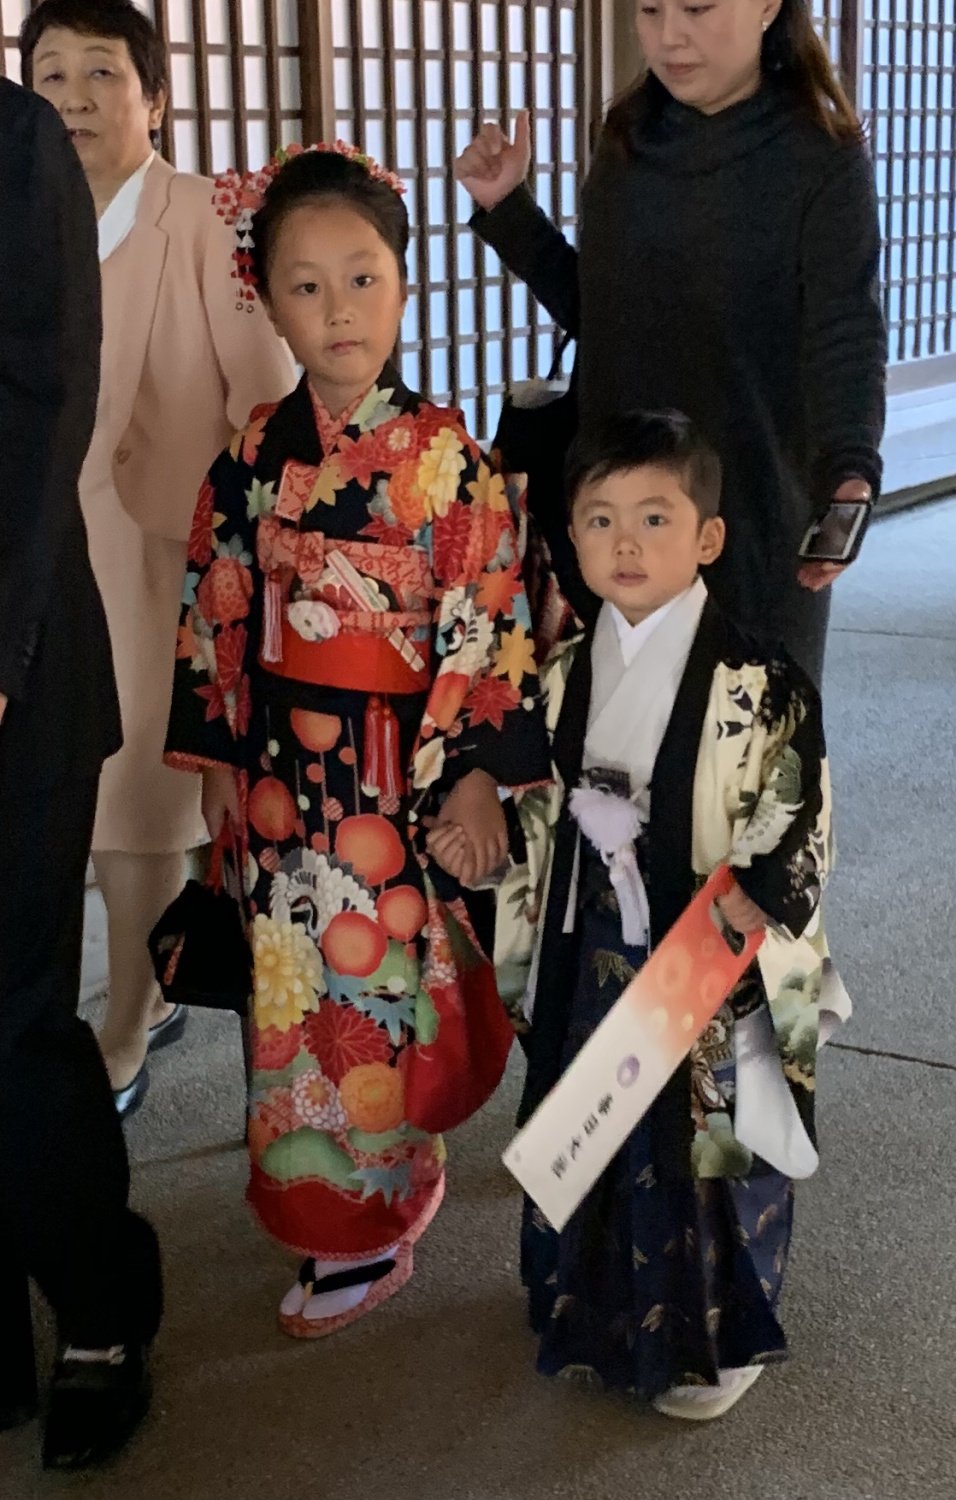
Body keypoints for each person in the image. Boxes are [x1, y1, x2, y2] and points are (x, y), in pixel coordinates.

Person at [164, 143, 550, 1338]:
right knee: (291, 994)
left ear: (403, 285)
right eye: (307, 285)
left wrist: (475, 777)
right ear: (269, 303)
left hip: (394, 775)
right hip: (280, 782)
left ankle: (372, 1224)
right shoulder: (250, 457)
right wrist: (220, 765)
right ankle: (315, 1202)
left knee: (378, 994)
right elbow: (216, 607)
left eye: (363, 278)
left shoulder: (447, 462)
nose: (339, 310)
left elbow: (489, 614)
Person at [452, 409, 842, 1418]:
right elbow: (530, 798)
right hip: (594, 940)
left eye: (654, 518)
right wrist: (488, 832)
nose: (625, 543)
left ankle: (716, 1339)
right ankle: (595, 1310)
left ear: (707, 538)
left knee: (706, 1148)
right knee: (593, 1123)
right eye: (599, 520)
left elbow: (795, 802)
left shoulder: (759, 681)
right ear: (571, 539)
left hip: (710, 942)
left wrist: (760, 889)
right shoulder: (562, 674)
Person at [21, 0, 295, 1114]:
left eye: (101, 73)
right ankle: (116, 993)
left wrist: (234, 561)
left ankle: (130, 1019)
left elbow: (267, 402)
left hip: (157, 548)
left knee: (130, 796)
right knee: (55, 786)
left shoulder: (207, 219)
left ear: (156, 100)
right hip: (37, 544)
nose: (73, 98)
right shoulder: (20, 209)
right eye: (50, 74)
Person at [456, 0, 887, 686]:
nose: (669, 36)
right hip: (617, 501)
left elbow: (845, 331)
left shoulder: (821, 155)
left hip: (748, 502)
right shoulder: (627, 137)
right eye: (651, 10)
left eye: (696, 7)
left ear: (768, 6)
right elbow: (604, 313)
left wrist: (850, 466)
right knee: (608, 727)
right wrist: (509, 210)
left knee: (744, 727)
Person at [0, 78, 162, 1471]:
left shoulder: (10, 143)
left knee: (12, 1018)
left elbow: (45, 400)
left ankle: (102, 1313)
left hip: (16, 655)